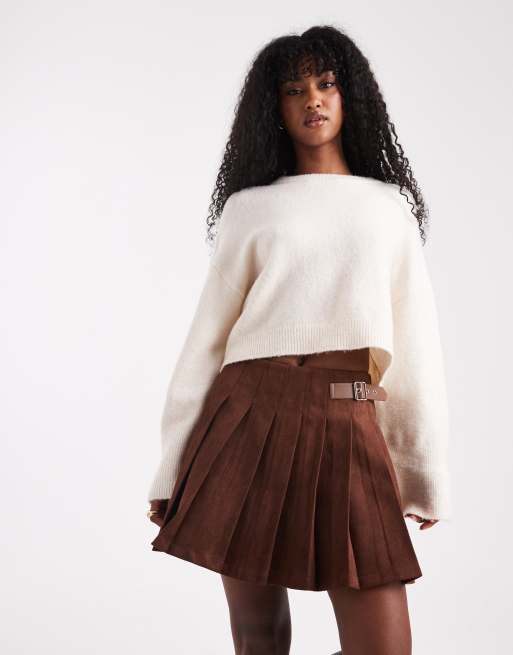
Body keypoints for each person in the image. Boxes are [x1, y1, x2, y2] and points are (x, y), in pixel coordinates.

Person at [146, 24, 451, 655]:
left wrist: (421, 469)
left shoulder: (387, 207)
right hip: (245, 417)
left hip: (347, 418)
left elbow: (415, 347)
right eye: (293, 89)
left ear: (348, 96)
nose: (312, 99)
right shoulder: (249, 209)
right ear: (275, 109)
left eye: (326, 83)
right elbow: (207, 343)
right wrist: (171, 468)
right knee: (258, 636)